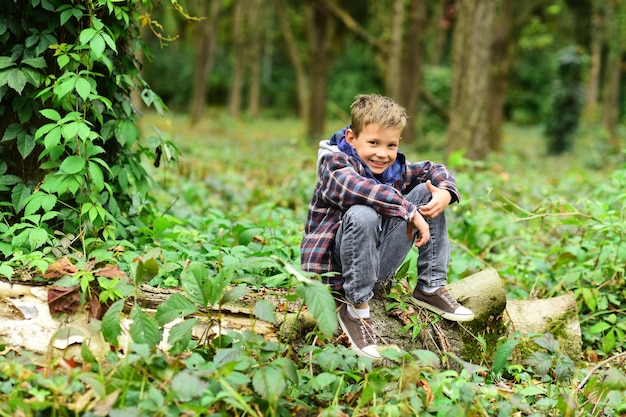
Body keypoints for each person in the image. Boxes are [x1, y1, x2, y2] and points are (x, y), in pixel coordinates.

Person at [300, 94, 474, 360]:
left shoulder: (391, 169)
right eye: (373, 143)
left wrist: (445, 192)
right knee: (363, 212)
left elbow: (433, 169)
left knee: (428, 192)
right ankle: (356, 309)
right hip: (337, 274)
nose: (382, 154)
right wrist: (408, 210)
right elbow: (357, 189)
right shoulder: (333, 164)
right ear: (351, 137)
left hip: (374, 267)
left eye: (391, 145)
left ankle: (430, 287)